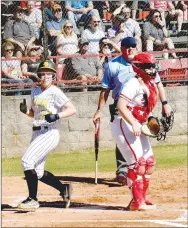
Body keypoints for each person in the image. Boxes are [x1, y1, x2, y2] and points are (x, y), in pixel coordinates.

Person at [111, 52, 172, 210]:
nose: (151, 70)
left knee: (149, 163)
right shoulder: (133, 83)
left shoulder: (150, 84)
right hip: (124, 124)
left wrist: (150, 120)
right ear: (138, 67)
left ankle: (141, 198)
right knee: (137, 163)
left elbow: (144, 109)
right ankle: (137, 202)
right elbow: (121, 106)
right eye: (147, 67)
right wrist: (133, 123)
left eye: (153, 66)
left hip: (137, 124)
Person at [17, 60, 76, 209]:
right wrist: (25, 111)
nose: (45, 76)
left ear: (52, 76)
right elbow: (35, 114)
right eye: (42, 73)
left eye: (48, 73)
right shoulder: (35, 91)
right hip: (37, 132)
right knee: (37, 171)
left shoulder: (55, 91)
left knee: (27, 161)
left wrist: (57, 116)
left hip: (49, 132)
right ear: (38, 75)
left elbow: (71, 109)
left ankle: (32, 199)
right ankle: (64, 189)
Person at [93, 37, 138, 185]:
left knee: (138, 136)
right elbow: (105, 90)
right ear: (122, 48)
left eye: (133, 46)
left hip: (138, 105)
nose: (130, 49)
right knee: (122, 137)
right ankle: (123, 171)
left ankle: (137, 166)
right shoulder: (112, 66)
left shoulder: (141, 63)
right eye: (126, 47)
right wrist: (99, 110)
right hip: (120, 105)